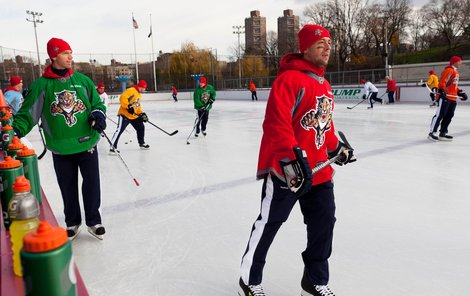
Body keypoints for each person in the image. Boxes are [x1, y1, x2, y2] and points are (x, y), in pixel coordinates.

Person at [238, 24, 356, 296]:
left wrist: (337, 148)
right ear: (305, 48)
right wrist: (292, 161)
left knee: (324, 224)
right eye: (320, 43)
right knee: (269, 224)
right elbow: (276, 125)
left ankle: (314, 281)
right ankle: (249, 278)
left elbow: (323, 126)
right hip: (288, 172)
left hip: (320, 173)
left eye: (329, 42)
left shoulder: (324, 85)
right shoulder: (288, 80)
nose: (327, 47)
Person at [12, 37, 107, 240]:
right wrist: (15, 131)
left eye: (71, 52)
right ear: (54, 56)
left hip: (87, 143)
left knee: (92, 184)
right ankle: (72, 222)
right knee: (67, 186)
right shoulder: (41, 85)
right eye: (65, 53)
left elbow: (98, 103)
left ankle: (94, 220)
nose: (70, 56)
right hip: (61, 147)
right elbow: (27, 114)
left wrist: (98, 114)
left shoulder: (83, 81)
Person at [428, 56, 467, 141]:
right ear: (455, 62)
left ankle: (443, 133)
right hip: (446, 97)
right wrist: (442, 90)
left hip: (452, 98)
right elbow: (443, 82)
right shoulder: (448, 70)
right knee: (440, 115)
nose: (461, 63)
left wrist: (460, 92)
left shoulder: (455, 72)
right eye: (460, 61)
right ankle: (432, 133)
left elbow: (453, 85)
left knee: (449, 116)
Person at [110, 79, 149, 152]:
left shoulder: (139, 95)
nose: (144, 89)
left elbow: (137, 106)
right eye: (143, 88)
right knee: (119, 130)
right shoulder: (131, 90)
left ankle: (141, 143)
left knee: (141, 127)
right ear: (140, 86)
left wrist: (141, 114)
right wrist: (128, 106)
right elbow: (122, 97)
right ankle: (112, 146)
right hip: (125, 114)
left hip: (133, 116)